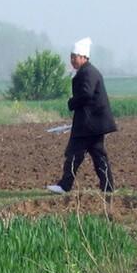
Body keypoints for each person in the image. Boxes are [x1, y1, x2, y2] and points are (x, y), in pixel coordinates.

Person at [48, 37, 116, 194]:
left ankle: (65, 186)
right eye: (71, 57)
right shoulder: (88, 71)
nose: (72, 60)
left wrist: (72, 103)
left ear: (84, 57)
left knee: (74, 153)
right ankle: (108, 186)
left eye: (75, 57)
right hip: (93, 123)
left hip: (89, 123)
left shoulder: (87, 73)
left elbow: (86, 94)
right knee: (98, 155)